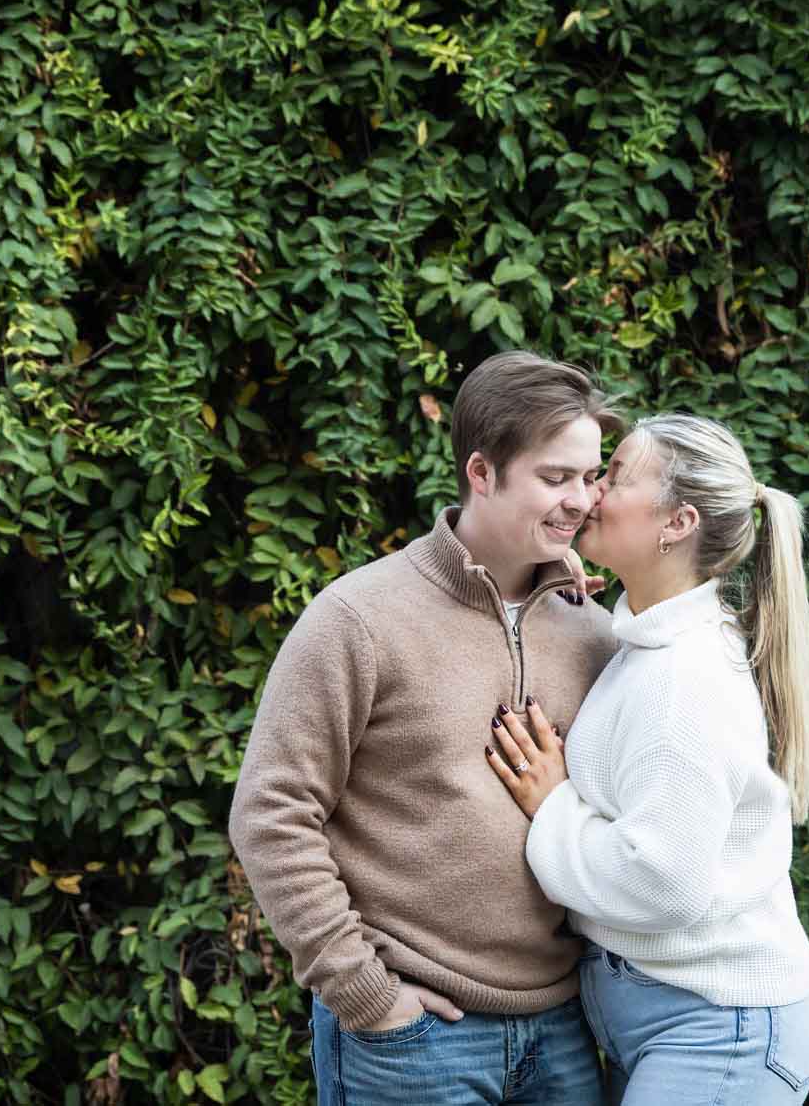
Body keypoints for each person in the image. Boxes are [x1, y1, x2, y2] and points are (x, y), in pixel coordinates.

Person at [229, 351, 622, 1105]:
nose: (581, 499)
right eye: (554, 477)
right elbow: (271, 812)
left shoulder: (595, 630)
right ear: (482, 471)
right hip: (416, 1036)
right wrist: (368, 995)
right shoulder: (360, 618)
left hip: (564, 1030)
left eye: (589, 475)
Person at [485, 413, 809, 1103]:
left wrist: (554, 808)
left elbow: (663, 881)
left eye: (614, 477)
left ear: (677, 523)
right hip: (678, 1025)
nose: (589, 495)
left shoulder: (685, 679)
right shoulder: (647, 646)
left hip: (718, 1035)